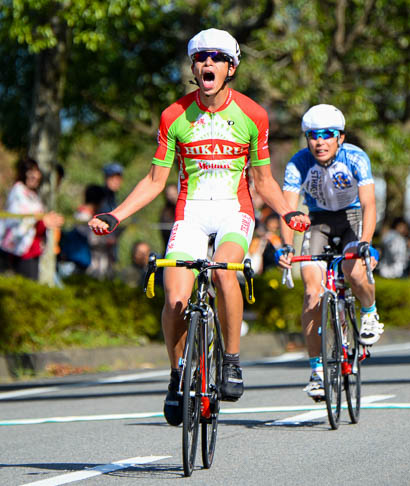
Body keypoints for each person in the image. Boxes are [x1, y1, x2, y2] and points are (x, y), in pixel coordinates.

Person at [88, 28, 310, 425]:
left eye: (217, 57)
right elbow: (156, 181)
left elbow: (263, 181)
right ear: (194, 67)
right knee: (174, 297)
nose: (208, 63)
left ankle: (232, 360)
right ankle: (177, 377)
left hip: (232, 212)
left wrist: (285, 213)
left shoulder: (252, 115)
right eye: (201, 57)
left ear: (231, 67)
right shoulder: (174, 116)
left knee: (226, 274)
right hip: (190, 214)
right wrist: (116, 215)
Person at [276, 104, 381, 400]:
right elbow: (289, 209)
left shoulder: (356, 157)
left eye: (327, 135)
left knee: (353, 270)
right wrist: (286, 246)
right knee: (311, 291)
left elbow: (369, 204)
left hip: (352, 219)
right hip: (318, 221)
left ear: (340, 138)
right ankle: (317, 371)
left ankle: (370, 313)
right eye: (312, 135)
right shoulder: (298, 163)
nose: (319, 141)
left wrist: (366, 241)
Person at [0, 157, 63, 280]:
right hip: (20, 250)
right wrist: (42, 221)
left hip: (32, 249)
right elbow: (18, 219)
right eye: (31, 173)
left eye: (36, 172)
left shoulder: (33, 196)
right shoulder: (18, 192)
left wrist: (47, 221)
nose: (35, 176)